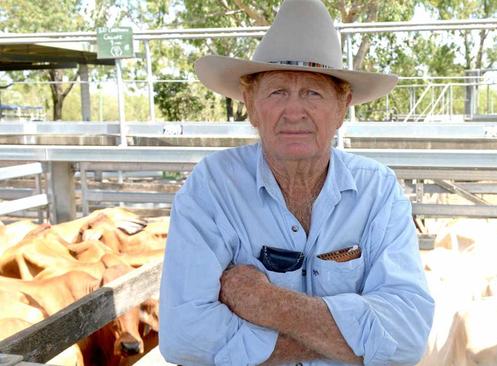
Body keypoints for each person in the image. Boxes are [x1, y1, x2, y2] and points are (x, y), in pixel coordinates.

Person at [159, 0, 434, 365]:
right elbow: (184, 337)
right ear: (251, 105)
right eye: (277, 92)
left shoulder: (377, 190)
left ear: (342, 107)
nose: (294, 111)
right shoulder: (212, 186)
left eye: (313, 92)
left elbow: (408, 338)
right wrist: (350, 338)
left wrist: (266, 303)